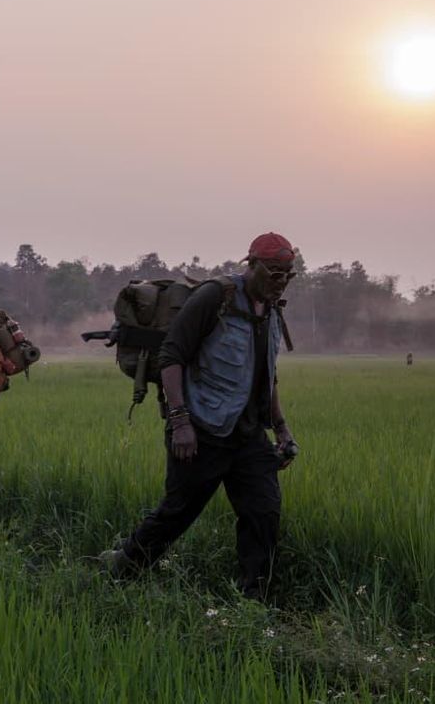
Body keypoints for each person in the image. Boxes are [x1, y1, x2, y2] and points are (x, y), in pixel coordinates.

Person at [99, 232, 299, 600]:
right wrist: (180, 422)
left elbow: (266, 374)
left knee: (264, 517)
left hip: (249, 437)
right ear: (250, 265)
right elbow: (171, 357)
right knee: (177, 514)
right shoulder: (215, 297)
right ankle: (122, 568)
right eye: (274, 273)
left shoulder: (272, 309)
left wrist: (282, 430)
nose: (281, 281)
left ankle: (254, 602)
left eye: (288, 274)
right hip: (202, 431)